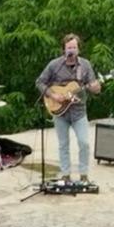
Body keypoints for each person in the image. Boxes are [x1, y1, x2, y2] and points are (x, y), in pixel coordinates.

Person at [35, 33, 102, 181]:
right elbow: (40, 82)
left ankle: (83, 174)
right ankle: (66, 175)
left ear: (78, 49)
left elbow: (93, 87)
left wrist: (96, 88)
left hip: (79, 111)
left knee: (84, 142)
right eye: (68, 47)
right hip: (60, 112)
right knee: (63, 144)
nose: (71, 50)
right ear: (64, 49)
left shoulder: (85, 65)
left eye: (74, 47)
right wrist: (53, 95)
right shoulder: (55, 65)